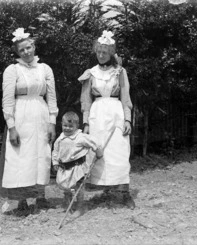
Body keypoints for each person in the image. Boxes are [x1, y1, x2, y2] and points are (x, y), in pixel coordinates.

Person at [0, 27, 58, 215]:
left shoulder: (45, 69)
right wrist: (12, 127)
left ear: (34, 46)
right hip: (21, 116)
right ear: (17, 52)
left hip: (40, 115)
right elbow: (7, 101)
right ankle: (22, 200)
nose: (26, 52)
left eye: (29, 47)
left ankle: (40, 197)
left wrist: (52, 122)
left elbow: (52, 98)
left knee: (41, 155)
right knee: (21, 157)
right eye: (22, 50)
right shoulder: (12, 70)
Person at [79, 30, 135, 210]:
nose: (101, 55)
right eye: (99, 52)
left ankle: (122, 193)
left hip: (116, 113)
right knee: (99, 151)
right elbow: (85, 100)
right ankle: (105, 190)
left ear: (111, 53)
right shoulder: (90, 73)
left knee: (118, 151)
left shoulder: (119, 72)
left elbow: (126, 97)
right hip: (97, 115)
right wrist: (86, 123)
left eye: (105, 52)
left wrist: (127, 120)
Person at [52, 111, 103, 216]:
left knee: (79, 187)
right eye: (65, 125)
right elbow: (55, 151)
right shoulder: (60, 139)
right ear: (61, 124)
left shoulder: (80, 137)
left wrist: (98, 150)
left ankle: (80, 207)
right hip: (64, 168)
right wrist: (55, 162)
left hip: (77, 167)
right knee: (66, 187)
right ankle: (68, 205)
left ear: (76, 126)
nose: (67, 128)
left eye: (71, 126)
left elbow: (93, 141)